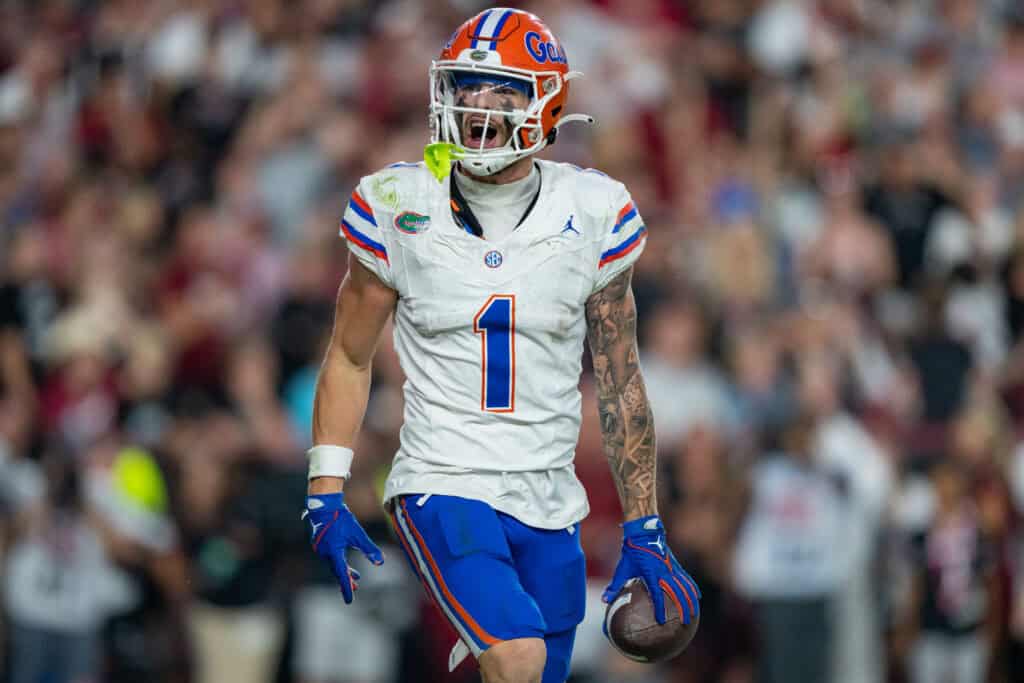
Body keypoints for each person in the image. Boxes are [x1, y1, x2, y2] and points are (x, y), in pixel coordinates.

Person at [300, 8, 700, 683]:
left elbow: (620, 377)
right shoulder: (397, 203)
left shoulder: (592, 211)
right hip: (442, 480)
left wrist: (644, 525)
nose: (479, 104)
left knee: (540, 672)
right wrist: (326, 486)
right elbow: (350, 353)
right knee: (518, 656)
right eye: (466, 86)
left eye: (502, 89)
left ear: (546, 104)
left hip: (550, 497)